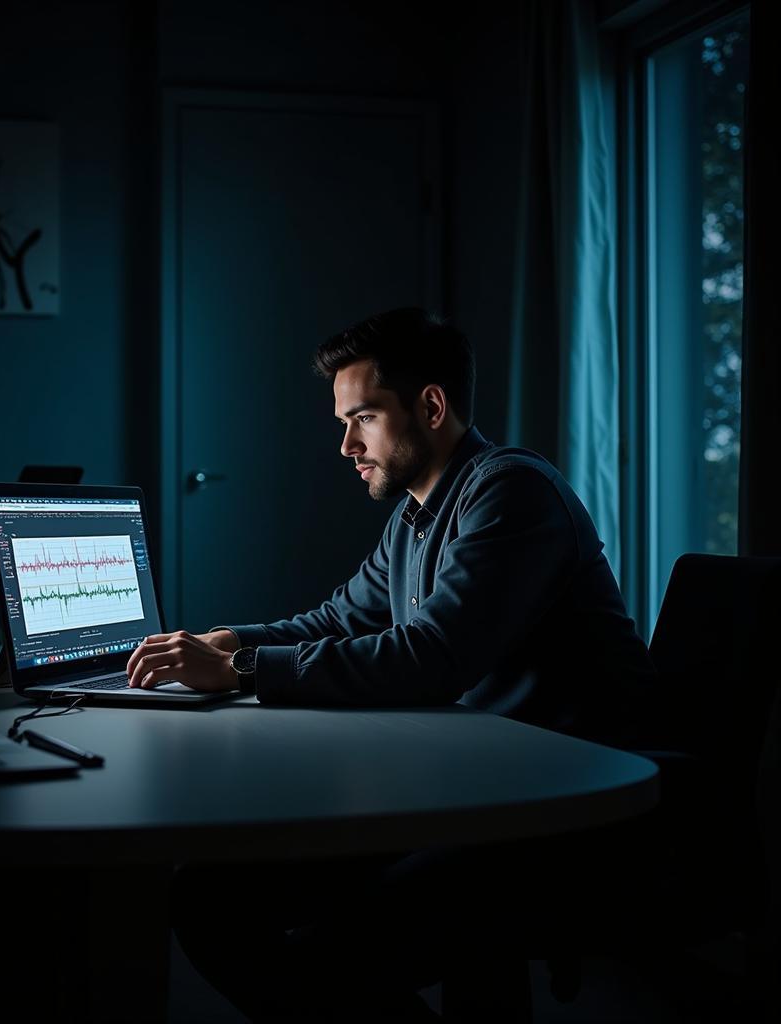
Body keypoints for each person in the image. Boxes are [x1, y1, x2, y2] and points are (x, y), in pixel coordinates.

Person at [126, 308, 660, 1021]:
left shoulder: (510, 492)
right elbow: (337, 620)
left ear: (431, 406)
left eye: (364, 418)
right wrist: (225, 640)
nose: (346, 444)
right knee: (206, 896)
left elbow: (429, 657)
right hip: (478, 791)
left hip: (550, 813)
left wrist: (247, 671)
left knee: (319, 956)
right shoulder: (415, 514)